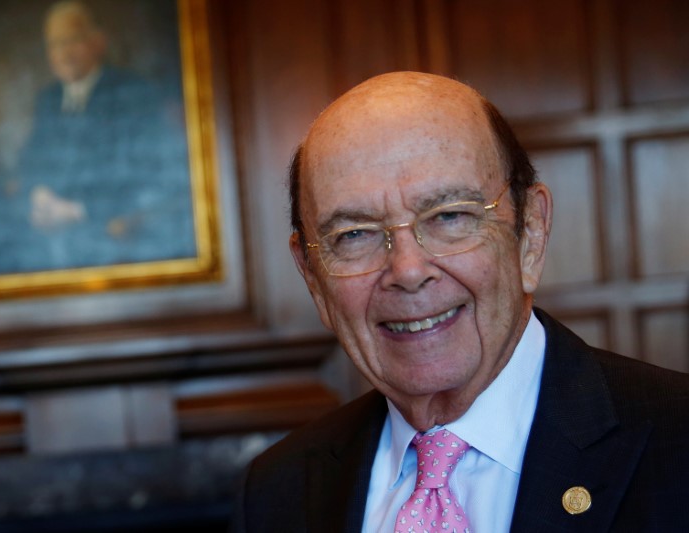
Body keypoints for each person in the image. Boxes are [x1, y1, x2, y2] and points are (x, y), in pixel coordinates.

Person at [230, 72, 689, 532]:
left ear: (530, 233)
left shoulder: (677, 442)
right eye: (354, 235)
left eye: (449, 216)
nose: (408, 271)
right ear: (312, 277)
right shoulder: (275, 495)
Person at [0, 0, 195, 275]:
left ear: (98, 42)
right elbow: (30, 163)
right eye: (55, 45)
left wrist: (77, 211)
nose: (64, 54)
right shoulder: (49, 99)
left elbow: (151, 178)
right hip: (52, 239)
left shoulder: (134, 94)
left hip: (115, 233)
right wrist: (38, 195)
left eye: (72, 41)